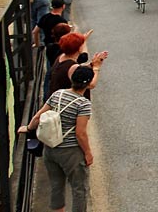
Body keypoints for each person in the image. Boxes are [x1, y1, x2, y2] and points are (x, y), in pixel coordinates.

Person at [18, 65, 97, 212]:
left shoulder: (58, 94)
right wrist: (87, 153)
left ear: (72, 79)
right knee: (79, 189)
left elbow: (37, 117)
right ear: (88, 83)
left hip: (50, 149)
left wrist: (28, 129)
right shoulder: (83, 104)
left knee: (56, 185)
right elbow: (80, 133)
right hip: (70, 152)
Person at [49, 32, 106, 99]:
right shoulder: (72, 67)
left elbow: (80, 71)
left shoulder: (61, 57)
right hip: (70, 102)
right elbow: (90, 85)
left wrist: (92, 64)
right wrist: (96, 67)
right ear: (79, 48)